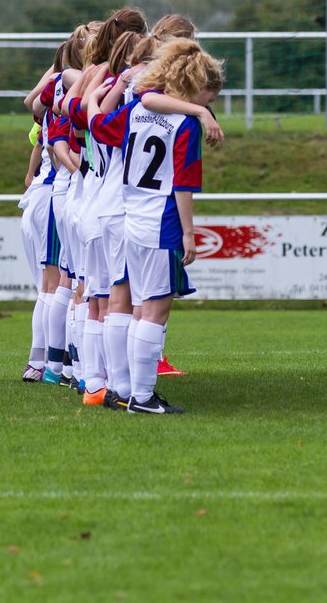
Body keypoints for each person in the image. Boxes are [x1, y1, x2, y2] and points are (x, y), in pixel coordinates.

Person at [88, 39, 224, 414]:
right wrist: (189, 233)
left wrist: (91, 99)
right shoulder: (187, 122)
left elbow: (102, 126)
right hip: (161, 223)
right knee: (155, 309)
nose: (209, 104)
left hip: (131, 218)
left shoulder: (137, 110)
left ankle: (128, 389)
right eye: (208, 96)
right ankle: (143, 397)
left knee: (137, 305)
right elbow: (183, 182)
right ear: (195, 87)